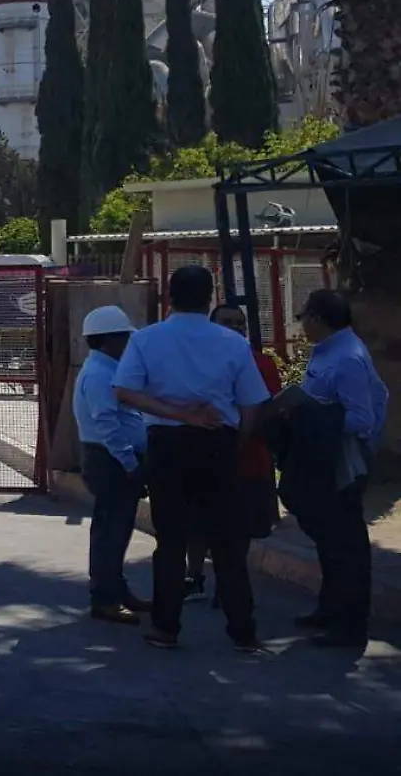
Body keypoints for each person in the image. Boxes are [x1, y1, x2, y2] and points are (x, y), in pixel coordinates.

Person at [113, 264, 271, 651]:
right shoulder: (233, 343)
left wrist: (179, 415)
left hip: (168, 445)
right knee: (227, 541)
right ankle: (243, 631)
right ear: (210, 298)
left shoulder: (147, 340)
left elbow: (125, 391)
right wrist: (232, 442)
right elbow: (252, 405)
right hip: (219, 443)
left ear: (169, 297)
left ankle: (166, 627)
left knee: (171, 540)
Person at [262, 289, 389, 649]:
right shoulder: (331, 353)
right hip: (319, 460)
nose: (301, 326)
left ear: (316, 318)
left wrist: (310, 414)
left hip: (341, 463)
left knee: (345, 547)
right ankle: (330, 610)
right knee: (328, 542)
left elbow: (360, 419)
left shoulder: (347, 358)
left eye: (303, 318)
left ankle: (349, 626)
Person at [184, 303, 282, 600]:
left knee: (241, 528)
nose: (235, 327)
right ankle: (194, 575)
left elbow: (268, 407)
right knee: (198, 524)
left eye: (239, 322)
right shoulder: (195, 362)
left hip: (249, 461)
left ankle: (229, 582)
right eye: (227, 321)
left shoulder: (262, 364)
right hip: (203, 457)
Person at [72, 305, 152, 624]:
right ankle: (105, 598)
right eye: (123, 338)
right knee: (111, 532)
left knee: (116, 529)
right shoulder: (99, 374)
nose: (128, 345)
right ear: (108, 340)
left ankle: (116, 590)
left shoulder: (105, 369)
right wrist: (131, 463)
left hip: (110, 459)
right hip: (109, 460)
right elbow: (107, 424)